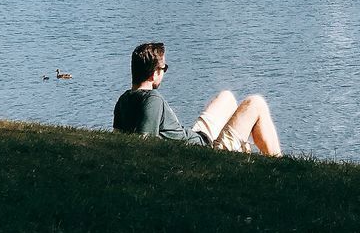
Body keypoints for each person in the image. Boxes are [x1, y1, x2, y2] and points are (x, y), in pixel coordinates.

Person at [113, 41, 282, 156]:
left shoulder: (123, 100)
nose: (164, 73)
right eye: (164, 68)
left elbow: (118, 138)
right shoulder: (152, 100)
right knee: (255, 103)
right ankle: (280, 163)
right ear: (154, 73)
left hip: (198, 136)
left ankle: (241, 144)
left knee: (227, 97)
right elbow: (144, 144)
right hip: (208, 150)